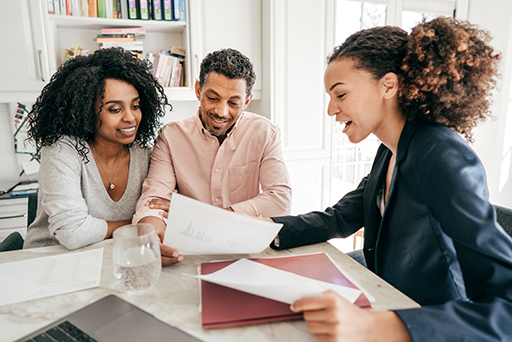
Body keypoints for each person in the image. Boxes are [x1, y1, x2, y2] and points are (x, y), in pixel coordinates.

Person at [269, 18, 512, 341]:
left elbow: (506, 307)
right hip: (387, 303)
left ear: (388, 85)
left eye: (340, 94)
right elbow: (341, 218)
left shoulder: (441, 155)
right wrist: (261, 230)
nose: (331, 110)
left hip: (427, 325)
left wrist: (374, 326)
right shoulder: (391, 148)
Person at [133, 48, 292, 265]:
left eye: (234, 103)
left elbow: (280, 199)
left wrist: (210, 215)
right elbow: (154, 199)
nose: (221, 111)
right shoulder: (170, 136)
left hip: (247, 250)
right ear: (199, 90)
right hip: (190, 252)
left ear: (247, 102)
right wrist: (151, 234)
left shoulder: (265, 133)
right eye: (213, 97)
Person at [24, 48, 170, 254]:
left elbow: (163, 212)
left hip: (112, 255)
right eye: (115, 109)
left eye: (135, 106)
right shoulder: (61, 150)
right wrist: (138, 226)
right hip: (49, 258)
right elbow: (72, 232)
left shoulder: (145, 154)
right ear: (85, 111)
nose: (130, 118)